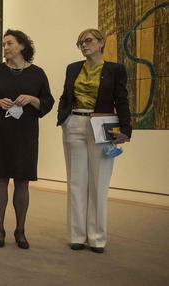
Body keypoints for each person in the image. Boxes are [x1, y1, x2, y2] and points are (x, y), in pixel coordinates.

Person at [58, 28, 131, 253]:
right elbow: (65, 95)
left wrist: (126, 129)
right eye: (80, 42)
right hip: (75, 124)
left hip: (102, 126)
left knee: (99, 183)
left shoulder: (115, 70)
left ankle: (97, 237)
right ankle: (77, 235)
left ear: (101, 43)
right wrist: (64, 117)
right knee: (76, 182)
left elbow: (121, 99)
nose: (83, 45)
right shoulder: (72, 68)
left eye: (88, 40)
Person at [0, 29, 54, 249]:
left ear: (22, 46)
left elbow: (47, 102)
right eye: (3, 44)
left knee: (22, 182)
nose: (5, 48)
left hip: (26, 135)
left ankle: (20, 230)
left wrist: (31, 98)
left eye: (9, 43)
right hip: (0, 133)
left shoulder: (37, 73)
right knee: (0, 180)